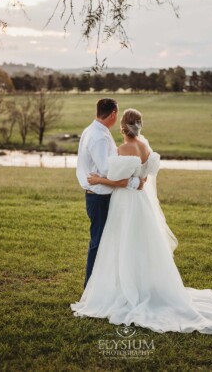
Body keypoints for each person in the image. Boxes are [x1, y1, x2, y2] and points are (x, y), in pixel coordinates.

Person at [71, 108, 212, 334]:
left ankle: (125, 288)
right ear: (138, 125)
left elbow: (119, 180)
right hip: (140, 204)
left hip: (126, 204)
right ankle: (142, 284)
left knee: (123, 243)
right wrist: (135, 181)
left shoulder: (123, 149)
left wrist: (100, 178)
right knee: (141, 245)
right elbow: (143, 177)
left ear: (123, 126)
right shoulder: (145, 146)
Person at [76, 99, 146, 289]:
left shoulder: (94, 130)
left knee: (108, 243)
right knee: (98, 243)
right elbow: (109, 171)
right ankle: (90, 288)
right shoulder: (98, 136)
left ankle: (106, 285)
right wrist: (134, 181)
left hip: (103, 194)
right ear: (114, 113)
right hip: (99, 197)